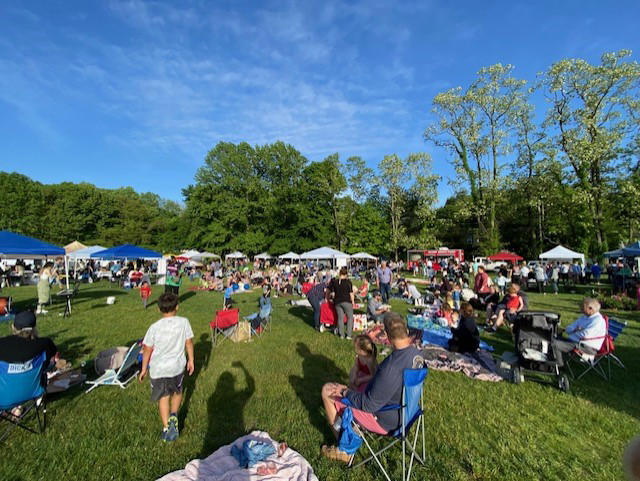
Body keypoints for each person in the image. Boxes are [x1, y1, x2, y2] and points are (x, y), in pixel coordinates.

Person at [320, 312, 423, 462]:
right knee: (358, 387)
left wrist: (344, 391)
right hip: (409, 411)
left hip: (386, 420)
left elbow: (368, 404)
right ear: (406, 331)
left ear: (387, 337)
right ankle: (351, 431)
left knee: (327, 391)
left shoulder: (391, 367)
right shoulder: (416, 354)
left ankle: (345, 449)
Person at [139, 293, 194, 443]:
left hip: (158, 369)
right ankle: (174, 415)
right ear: (177, 307)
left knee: (163, 397)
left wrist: (144, 369)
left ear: (159, 309)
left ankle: (166, 428)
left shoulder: (154, 327)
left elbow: (147, 349)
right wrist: (191, 360)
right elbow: (188, 342)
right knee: (177, 391)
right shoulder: (184, 322)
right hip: (176, 367)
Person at [329, 267, 355, 339]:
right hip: (346, 301)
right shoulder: (348, 282)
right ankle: (349, 335)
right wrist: (353, 302)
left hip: (337, 302)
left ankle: (341, 335)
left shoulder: (335, 282)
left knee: (340, 318)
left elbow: (333, 293)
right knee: (350, 318)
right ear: (346, 274)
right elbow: (351, 293)